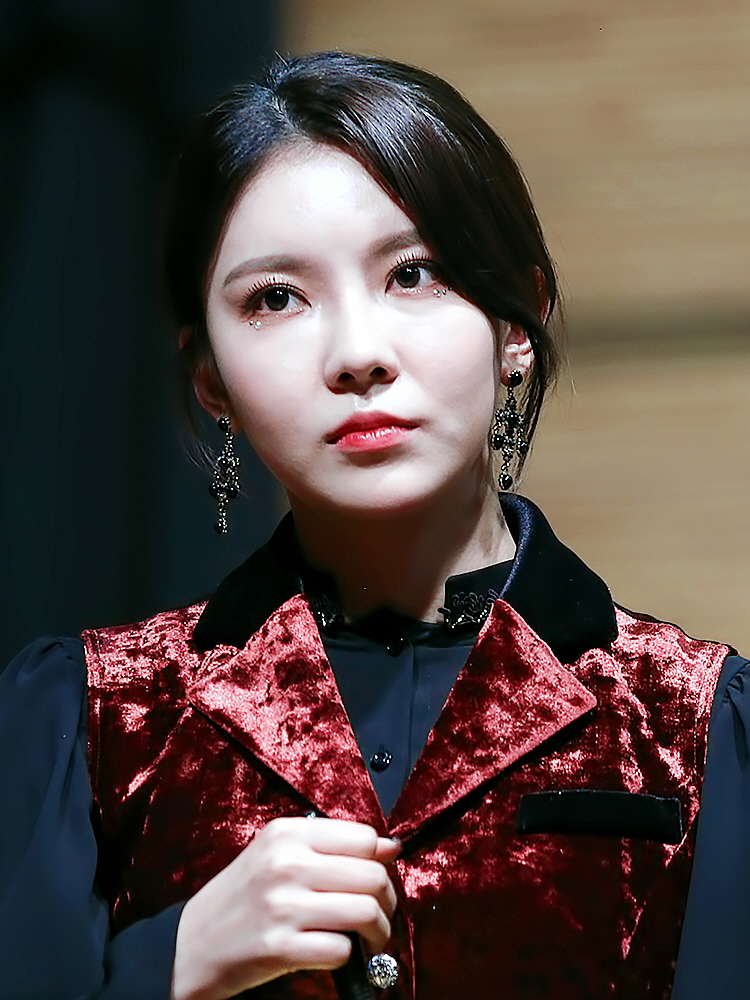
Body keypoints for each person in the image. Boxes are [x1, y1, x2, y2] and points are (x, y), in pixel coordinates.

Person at [1, 50, 748, 1000]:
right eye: (276, 298)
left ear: (518, 325)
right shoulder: (94, 718)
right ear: (210, 380)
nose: (357, 353)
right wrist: (171, 962)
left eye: (414, 273)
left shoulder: (695, 723)